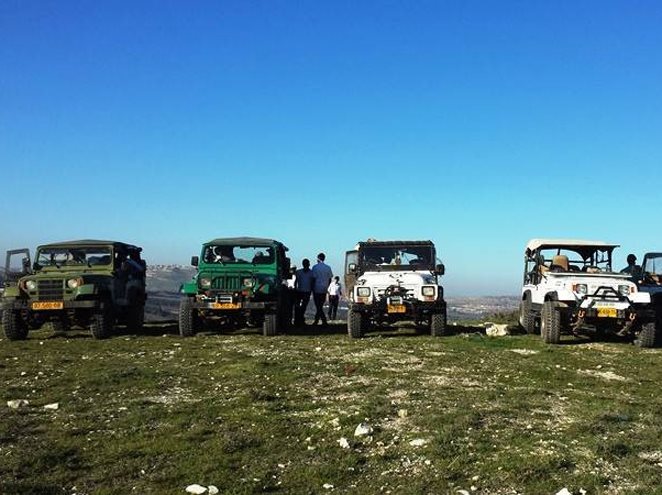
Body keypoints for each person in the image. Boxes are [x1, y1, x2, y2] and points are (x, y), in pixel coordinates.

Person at [311, 252, 333, 326]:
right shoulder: (328, 267)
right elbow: (330, 278)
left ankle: (322, 321)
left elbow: (313, 278)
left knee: (318, 306)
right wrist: (328, 286)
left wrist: (312, 287)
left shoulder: (315, 267)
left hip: (317, 288)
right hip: (324, 288)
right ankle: (318, 321)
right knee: (320, 305)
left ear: (318, 258)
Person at [294, 259, 314, 326]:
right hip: (300, 291)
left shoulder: (311, 273)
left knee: (303, 307)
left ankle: (300, 319)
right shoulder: (299, 272)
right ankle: (298, 320)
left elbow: (312, 282)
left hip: (306, 291)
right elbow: (295, 281)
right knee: (299, 307)